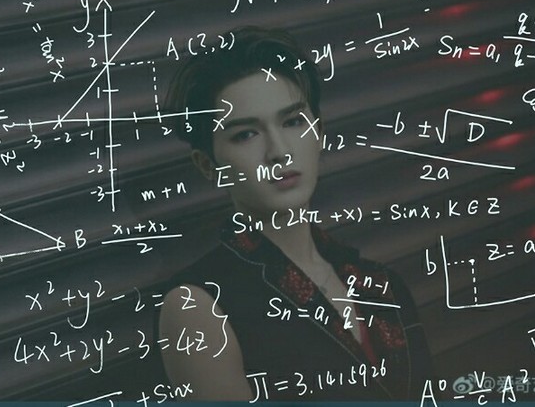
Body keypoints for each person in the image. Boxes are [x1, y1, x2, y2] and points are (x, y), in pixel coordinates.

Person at [157, 26, 432, 401]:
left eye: (292, 122)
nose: (279, 152)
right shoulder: (197, 306)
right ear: (208, 165)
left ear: (319, 132)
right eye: (245, 134)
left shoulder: (381, 283)